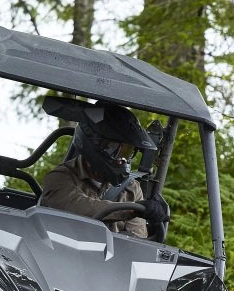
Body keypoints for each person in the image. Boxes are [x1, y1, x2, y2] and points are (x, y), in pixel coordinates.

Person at [39, 102, 168, 239]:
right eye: (115, 150)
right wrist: (131, 209)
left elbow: (137, 240)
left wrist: (148, 212)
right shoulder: (59, 177)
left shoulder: (131, 188)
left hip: (110, 258)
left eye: (127, 152)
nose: (122, 160)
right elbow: (80, 207)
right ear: (94, 143)